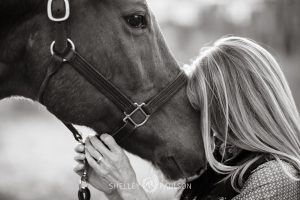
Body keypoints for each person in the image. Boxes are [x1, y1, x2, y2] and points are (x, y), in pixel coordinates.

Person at [74, 36, 300, 200]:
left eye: (201, 109)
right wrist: (116, 188)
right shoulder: (218, 164)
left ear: (234, 111)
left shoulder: (278, 178)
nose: (200, 122)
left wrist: (130, 187)